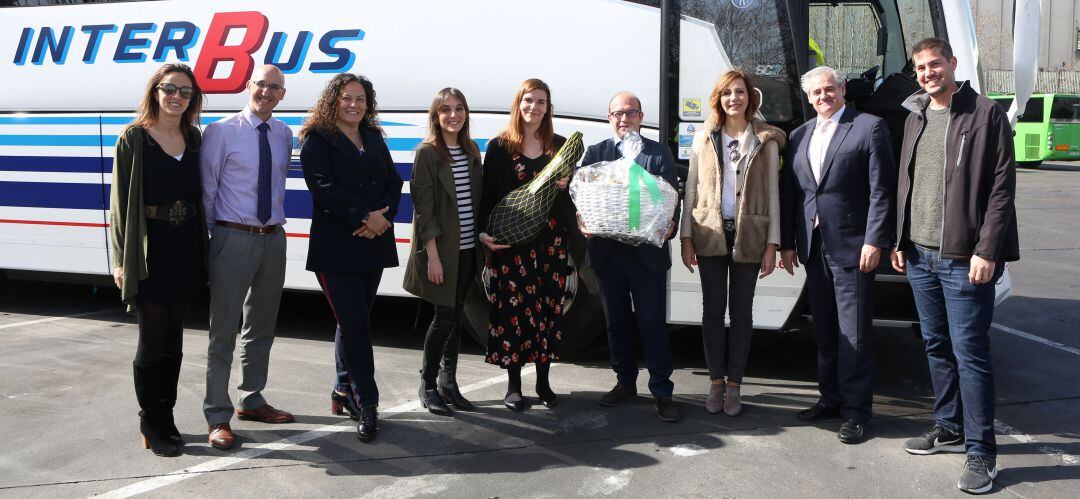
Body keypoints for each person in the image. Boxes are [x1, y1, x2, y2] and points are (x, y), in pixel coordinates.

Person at [892, 37, 1019, 495]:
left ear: (953, 64)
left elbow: (1002, 190)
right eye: (921, 68)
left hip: (964, 258)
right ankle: (948, 426)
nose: (928, 73)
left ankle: (982, 452)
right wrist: (900, 240)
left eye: (935, 64)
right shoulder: (915, 115)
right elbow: (906, 183)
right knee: (936, 345)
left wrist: (987, 250)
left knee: (971, 354)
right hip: (920, 254)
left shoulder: (985, 114)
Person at [779, 65, 894, 444]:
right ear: (808, 98)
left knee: (854, 334)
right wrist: (788, 242)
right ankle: (829, 399)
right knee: (825, 331)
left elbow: (881, 190)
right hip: (813, 247)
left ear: (842, 88)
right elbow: (793, 194)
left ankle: (857, 412)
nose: (824, 96)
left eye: (829, 89)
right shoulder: (799, 135)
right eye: (816, 92)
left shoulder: (869, 127)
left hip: (854, 247)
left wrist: (874, 240)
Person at [110, 63, 207, 457]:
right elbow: (120, 204)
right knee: (151, 341)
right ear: (155, 91)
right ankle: (150, 420)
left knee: (174, 341)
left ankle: (166, 416)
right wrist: (121, 260)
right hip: (149, 250)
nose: (176, 97)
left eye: (185, 92)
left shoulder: (194, 137)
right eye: (169, 89)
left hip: (186, 247)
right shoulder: (134, 138)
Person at [300, 73, 403, 442]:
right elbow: (323, 187)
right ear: (334, 100)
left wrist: (382, 219)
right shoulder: (317, 140)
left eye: (361, 99)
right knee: (356, 325)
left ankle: (343, 389)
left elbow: (394, 181)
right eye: (347, 97)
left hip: (372, 243)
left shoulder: (373, 137)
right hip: (336, 248)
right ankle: (367, 403)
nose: (354, 105)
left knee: (353, 321)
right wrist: (364, 216)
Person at [200, 64, 295, 451]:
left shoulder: (284, 133)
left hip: (272, 238)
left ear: (282, 95)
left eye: (275, 87)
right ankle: (217, 414)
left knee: (261, 326)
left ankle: (251, 399)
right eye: (261, 84)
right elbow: (207, 189)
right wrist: (220, 235)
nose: (266, 92)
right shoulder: (221, 131)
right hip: (233, 236)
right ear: (248, 85)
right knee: (223, 331)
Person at [680, 70, 785, 417]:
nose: (733, 98)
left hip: (750, 235)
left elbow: (773, 195)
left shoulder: (766, 140)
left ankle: (735, 384)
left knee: (741, 313)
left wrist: (772, 244)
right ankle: (715, 381)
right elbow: (691, 189)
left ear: (750, 97)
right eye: (727, 93)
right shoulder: (703, 137)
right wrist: (686, 237)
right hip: (710, 232)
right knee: (712, 311)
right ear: (718, 99)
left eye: (739, 92)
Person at [578, 92, 682, 422]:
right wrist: (582, 219)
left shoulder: (658, 153)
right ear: (609, 118)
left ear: (641, 116)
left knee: (652, 323)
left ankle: (662, 390)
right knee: (616, 324)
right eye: (618, 113)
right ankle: (625, 382)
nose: (624, 119)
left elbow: (671, 197)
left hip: (646, 256)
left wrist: (671, 223)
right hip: (607, 254)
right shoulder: (596, 153)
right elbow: (581, 195)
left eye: (631, 113)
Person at [479, 78, 571, 412]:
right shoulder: (500, 147)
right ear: (518, 104)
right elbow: (488, 195)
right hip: (513, 245)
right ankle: (514, 385)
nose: (534, 107)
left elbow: (570, 202)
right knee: (513, 312)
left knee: (548, 311)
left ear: (548, 108)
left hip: (551, 244)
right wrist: (482, 234)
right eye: (528, 100)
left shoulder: (560, 146)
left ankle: (543, 382)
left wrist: (568, 185)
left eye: (541, 102)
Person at [403, 88, 484, 416]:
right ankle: (428, 384)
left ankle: (449, 382)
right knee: (444, 317)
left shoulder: (471, 150)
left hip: (468, 249)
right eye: (446, 110)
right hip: (443, 251)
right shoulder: (427, 153)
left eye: (459, 108)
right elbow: (425, 211)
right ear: (436, 116)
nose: (454, 115)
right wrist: (433, 258)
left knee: (457, 314)